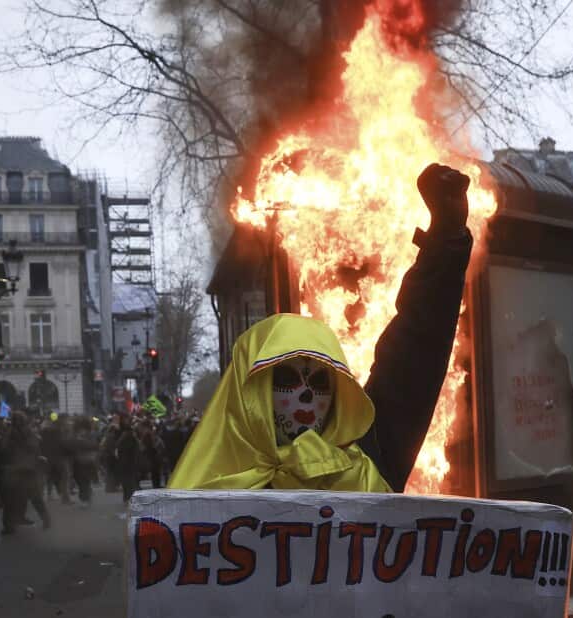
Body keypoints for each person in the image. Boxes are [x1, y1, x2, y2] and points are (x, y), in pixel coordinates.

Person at [169, 164, 475, 493]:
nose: (305, 394)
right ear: (253, 392)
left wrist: (446, 242)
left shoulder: (364, 465)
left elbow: (413, 358)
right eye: (286, 380)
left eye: (319, 382)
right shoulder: (212, 488)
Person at [1, 411, 50, 534]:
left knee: (12, 499)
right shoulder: (28, 433)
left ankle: (9, 526)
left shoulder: (9, 433)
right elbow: (35, 448)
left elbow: (3, 449)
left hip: (15, 470)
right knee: (34, 497)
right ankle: (46, 519)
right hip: (26, 468)